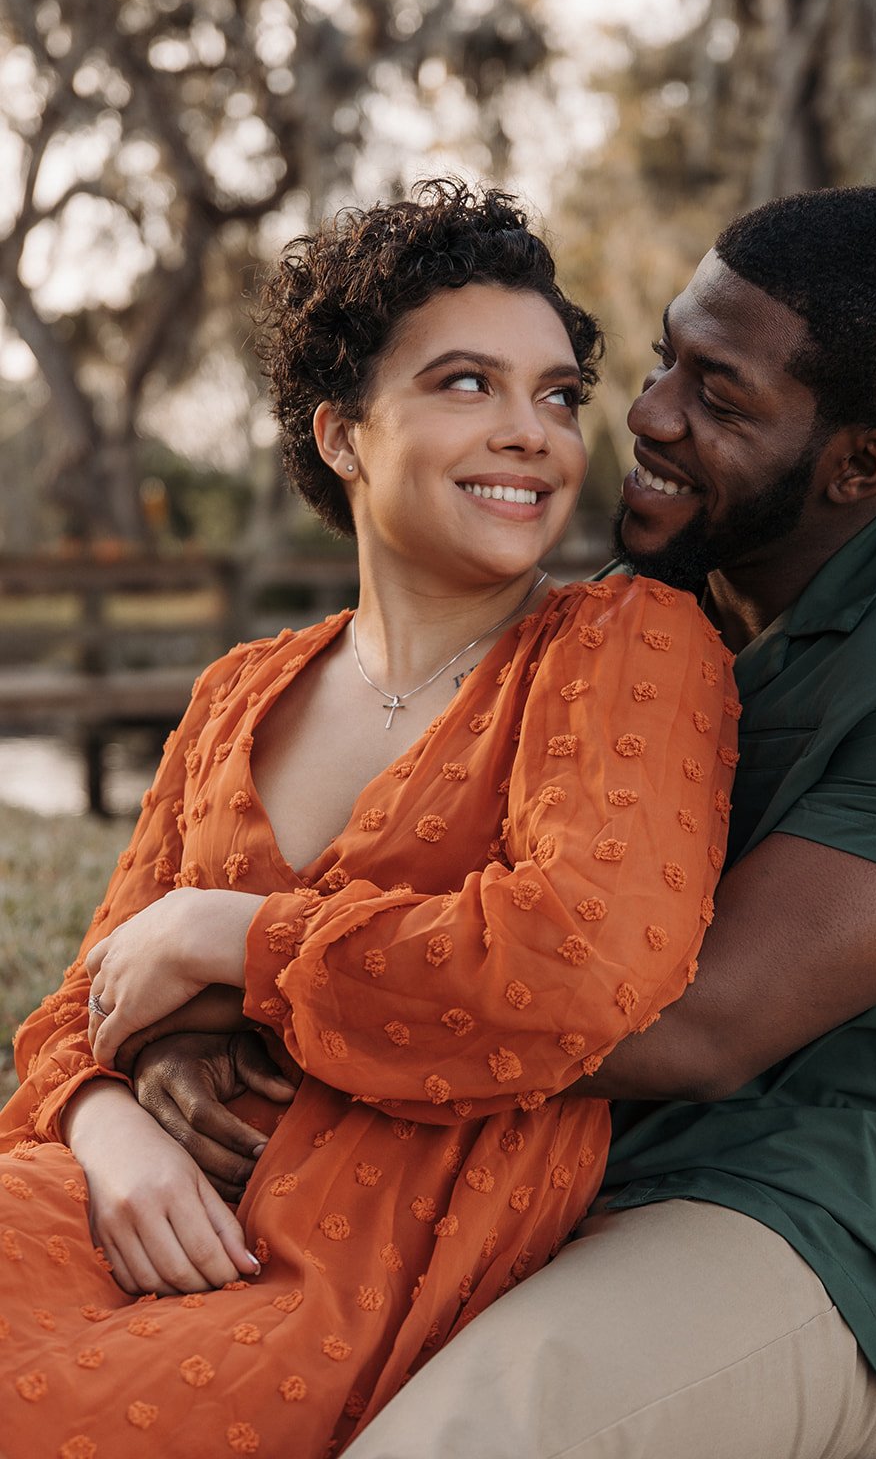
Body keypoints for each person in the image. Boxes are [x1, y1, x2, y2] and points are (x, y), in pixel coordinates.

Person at [148, 185, 876, 1459]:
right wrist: (166, 1055)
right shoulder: (630, 616)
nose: (648, 415)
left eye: (721, 398)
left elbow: (690, 1026)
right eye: (660, 362)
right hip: (518, 1165)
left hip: (804, 1215)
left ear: (860, 465)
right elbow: (450, 898)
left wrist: (235, 956)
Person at [0, 181, 739, 1457]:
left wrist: (234, 937)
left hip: (345, 1257)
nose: (532, 434)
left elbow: (575, 962)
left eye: (556, 395)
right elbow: (84, 1003)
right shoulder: (239, 692)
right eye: (466, 384)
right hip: (113, 1201)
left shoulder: (623, 643)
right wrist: (113, 1130)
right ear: (341, 434)